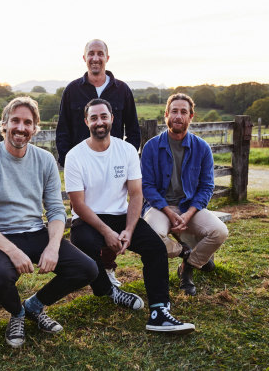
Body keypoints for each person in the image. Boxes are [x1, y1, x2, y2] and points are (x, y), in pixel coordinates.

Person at [0, 97, 98, 347]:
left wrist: (53, 245)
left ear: (35, 128)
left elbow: (57, 210)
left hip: (35, 232)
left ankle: (34, 306)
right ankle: (17, 313)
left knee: (87, 269)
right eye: (15, 120)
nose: (21, 127)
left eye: (28, 122)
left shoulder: (45, 160)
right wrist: (12, 251)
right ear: (3, 124)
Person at [64, 98, 194, 333]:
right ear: (86, 122)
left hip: (120, 215)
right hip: (89, 218)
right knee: (82, 242)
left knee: (155, 247)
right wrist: (107, 232)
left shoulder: (126, 150)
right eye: (93, 117)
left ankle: (159, 310)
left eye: (104, 116)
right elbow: (78, 205)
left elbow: (136, 195)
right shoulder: (75, 156)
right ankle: (108, 290)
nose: (99, 122)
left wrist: (129, 230)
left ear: (112, 119)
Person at [56, 39, 141, 287]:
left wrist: (126, 160)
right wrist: (68, 161)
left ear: (107, 58)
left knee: (114, 211)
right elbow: (63, 131)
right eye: (90, 54)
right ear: (84, 59)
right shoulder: (72, 90)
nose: (95, 58)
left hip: (114, 166)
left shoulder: (122, 90)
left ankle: (108, 268)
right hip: (82, 169)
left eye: (100, 53)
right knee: (85, 217)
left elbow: (133, 130)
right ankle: (93, 270)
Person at [141, 93, 229, 296]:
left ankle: (187, 268)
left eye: (183, 112)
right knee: (152, 238)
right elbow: (148, 186)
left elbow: (207, 187)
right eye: (174, 111)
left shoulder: (202, 148)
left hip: (189, 206)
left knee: (219, 231)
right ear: (166, 115)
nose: (178, 116)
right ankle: (185, 252)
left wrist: (188, 214)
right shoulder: (152, 147)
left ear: (191, 116)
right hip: (159, 206)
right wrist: (170, 214)